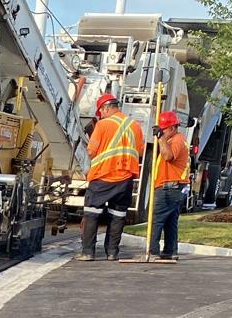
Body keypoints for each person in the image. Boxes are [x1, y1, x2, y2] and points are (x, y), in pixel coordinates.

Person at [80, 93, 144, 261]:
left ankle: (88, 252)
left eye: (100, 111)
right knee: (118, 215)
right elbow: (140, 151)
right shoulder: (135, 126)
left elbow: (91, 151)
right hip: (125, 178)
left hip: (103, 176)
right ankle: (112, 252)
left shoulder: (102, 125)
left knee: (92, 213)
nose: (100, 115)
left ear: (106, 108)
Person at [149, 110, 188, 263]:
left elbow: (168, 156)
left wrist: (160, 138)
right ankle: (170, 251)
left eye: (163, 129)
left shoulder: (177, 140)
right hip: (174, 187)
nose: (162, 132)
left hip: (169, 187)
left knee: (157, 220)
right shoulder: (176, 139)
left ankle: (152, 251)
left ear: (172, 128)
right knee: (170, 221)